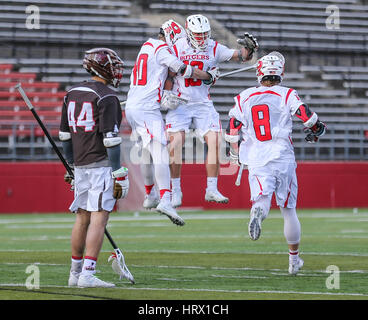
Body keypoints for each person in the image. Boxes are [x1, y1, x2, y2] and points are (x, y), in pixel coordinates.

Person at [225, 51, 326, 275]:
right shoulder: (287, 94)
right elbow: (305, 114)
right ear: (280, 72)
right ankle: (294, 261)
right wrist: (317, 126)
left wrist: (235, 151)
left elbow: (232, 126)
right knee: (288, 209)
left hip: (256, 156)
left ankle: (257, 214)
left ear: (259, 72)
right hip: (281, 154)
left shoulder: (244, 96)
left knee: (261, 199)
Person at [125, 20, 218, 226]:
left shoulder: (146, 46)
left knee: (147, 153)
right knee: (161, 153)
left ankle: (150, 195)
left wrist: (165, 93)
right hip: (147, 108)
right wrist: (208, 76)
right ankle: (166, 199)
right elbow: (183, 69)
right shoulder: (161, 49)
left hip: (133, 105)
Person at [165, 14, 258, 208]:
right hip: (179, 102)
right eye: (197, 34)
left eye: (204, 34)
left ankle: (211, 189)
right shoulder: (176, 47)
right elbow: (168, 72)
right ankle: (175, 191)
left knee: (215, 141)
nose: (201, 37)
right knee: (175, 143)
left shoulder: (213, 47)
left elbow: (240, 56)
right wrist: (166, 93)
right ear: (188, 31)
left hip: (202, 102)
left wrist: (249, 49)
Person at [59, 47, 129, 288]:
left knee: (81, 218)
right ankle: (87, 275)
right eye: (112, 65)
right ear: (102, 66)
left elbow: (64, 136)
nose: (116, 71)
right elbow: (110, 139)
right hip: (99, 164)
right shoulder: (107, 96)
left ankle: (74, 274)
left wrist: (70, 165)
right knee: (99, 219)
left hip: (80, 164)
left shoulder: (71, 93)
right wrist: (118, 172)